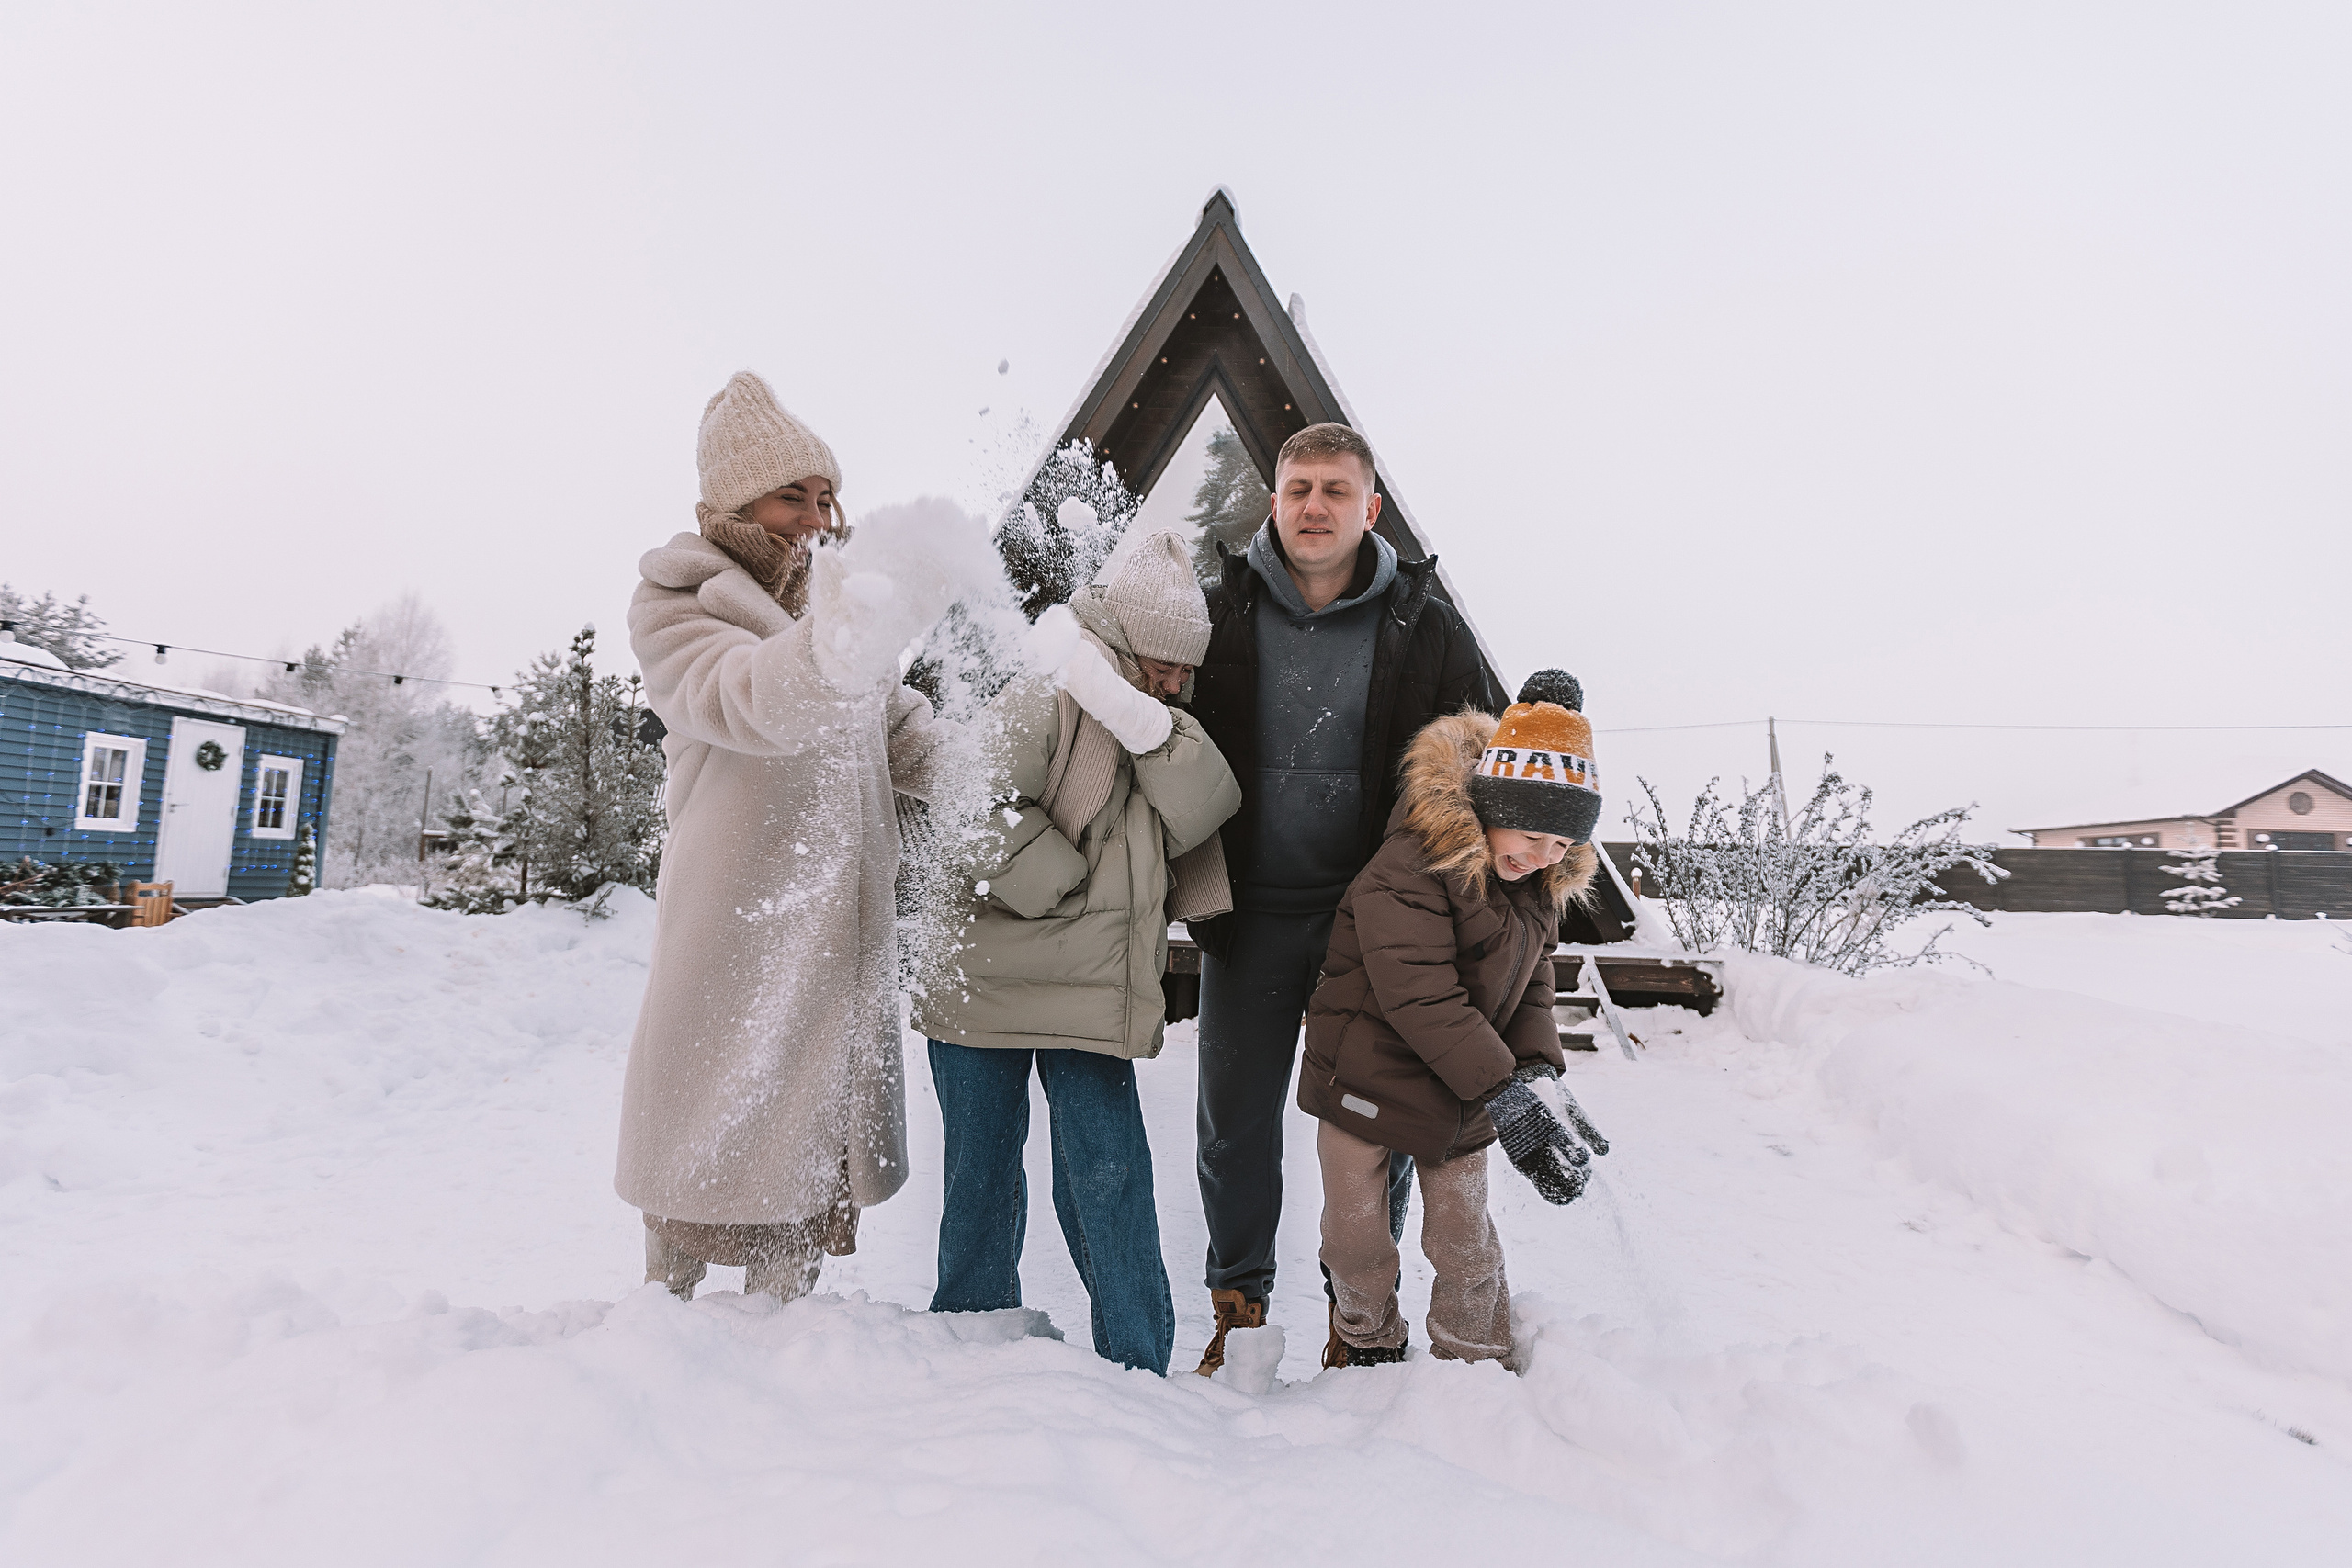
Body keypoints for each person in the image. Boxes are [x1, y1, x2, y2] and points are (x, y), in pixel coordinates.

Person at [618, 369, 983, 1301]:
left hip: (828, 937)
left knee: (799, 1188)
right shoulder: (677, 604)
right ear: (738, 501)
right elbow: (743, 698)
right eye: (795, 495)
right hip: (731, 935)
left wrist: (1005, 769)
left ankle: (785, 1391)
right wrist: (844, 633)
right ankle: (652, 1350)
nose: (818, 515)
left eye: (827, 496)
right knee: (698, 1161)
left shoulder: (836, 605)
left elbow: (898, 730)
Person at [1184, 422, 1506, 1371]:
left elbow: (1472, 770)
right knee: (1233, 1126)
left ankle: (1357, 1314)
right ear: (1272, 503)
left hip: (1371, 922)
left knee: (1374, 1125)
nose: (1313, 506)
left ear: (1370, 510)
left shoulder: (1425, 626)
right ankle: (1237, 1307)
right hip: (1246, 916)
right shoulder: (1219, 615)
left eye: (1334, 490)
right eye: (1297, 489)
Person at [912, 530, 1242, 1373]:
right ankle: (970, 1342)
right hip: (987, 979)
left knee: (1108, 1176)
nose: (1175, 681)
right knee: (981, 1178)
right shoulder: (1043, 699)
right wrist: (1056, 880)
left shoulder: (1154, 720)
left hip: (1088, 988)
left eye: (1184, 669)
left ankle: (1137, 1363)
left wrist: (1139, 714)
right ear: (1124, 642)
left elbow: (1205, 804)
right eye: (1161, 663)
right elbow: (968, 801)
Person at [1299, 671, 1612, 1369]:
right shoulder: (1410, 864)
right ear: (1493, 804)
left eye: (1562, 847)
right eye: (1532, 835)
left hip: (1466, 1082)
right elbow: (1420, 993)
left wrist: (1535, 1071)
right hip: (1366, 1074)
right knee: (1356, 1236)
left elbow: (1534, 980)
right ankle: (1366, 1337)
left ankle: (1476, 1357)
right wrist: (1502, 1086)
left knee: (1464, 1233)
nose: (1543, 857)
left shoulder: (1536, 885)